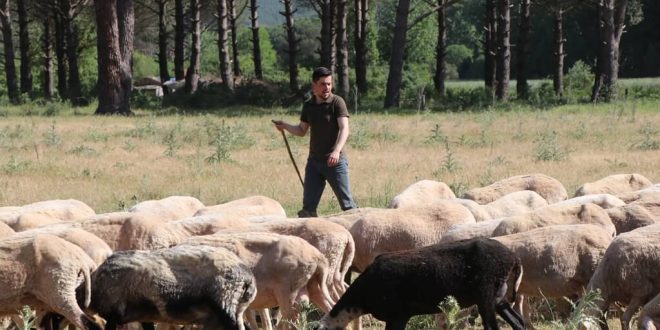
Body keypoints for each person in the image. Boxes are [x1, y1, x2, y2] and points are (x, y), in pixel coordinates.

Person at [273, 67, 357, 218]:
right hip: (314, 162)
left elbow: (344, 129)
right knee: (307, 210)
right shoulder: (308, 105)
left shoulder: (337, 102)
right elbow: (301, 130)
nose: (327, 88)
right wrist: (284, 126)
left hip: (335, 163)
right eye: (323, 84)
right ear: (314, 85)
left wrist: (336, 151)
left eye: (329, 84)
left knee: (348, 207)